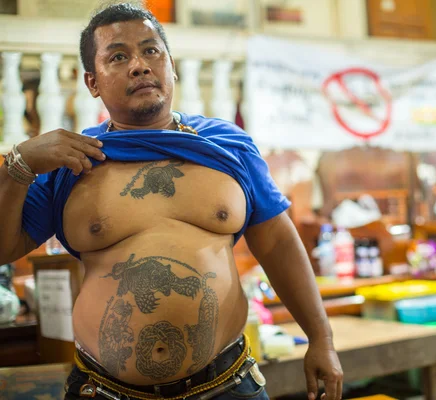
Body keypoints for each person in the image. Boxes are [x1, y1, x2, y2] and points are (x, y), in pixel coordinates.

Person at [0, 3, 342, 400]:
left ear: (171, 65)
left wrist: (321, 338)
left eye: (151, 51)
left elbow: (279, 243)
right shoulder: (72, 159)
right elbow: (5, 248)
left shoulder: (225, 146)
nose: (140, 66)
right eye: (118, 57)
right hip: (105, 391)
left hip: (225, 385)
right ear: (92, 82)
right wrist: (16, 168)